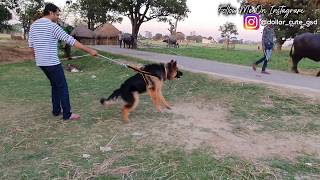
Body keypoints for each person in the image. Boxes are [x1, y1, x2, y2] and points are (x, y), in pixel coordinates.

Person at [28, 3, 97, 121]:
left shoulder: (34, 26)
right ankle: (67, 114)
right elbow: (71, 41)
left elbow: (31, 45)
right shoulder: (52, 26)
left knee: (55, 86)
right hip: (52, 63)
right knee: (62, 87)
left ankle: (56, 111)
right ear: (51, 13)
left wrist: (38, 59)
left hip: (41, 63)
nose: (58, 17)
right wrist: (90, 50)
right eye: (57, 14)